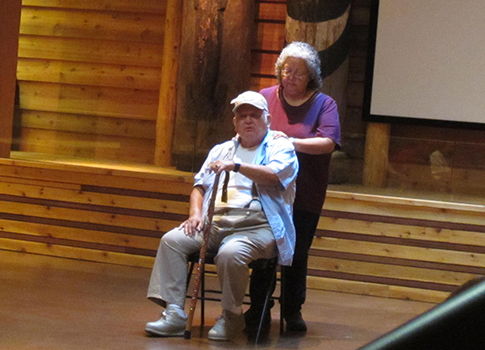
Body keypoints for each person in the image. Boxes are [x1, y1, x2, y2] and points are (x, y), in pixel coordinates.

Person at [145, 91, 299, 341]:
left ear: (267, 120)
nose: (248, 120)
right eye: (242, 116)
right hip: (215, 223)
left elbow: (274, 175)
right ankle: (173, 313)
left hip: (258, 227)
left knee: (231, 253)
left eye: (255, 115)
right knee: (172, 241)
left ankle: (231, 316)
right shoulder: (222, 150)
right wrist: (195, 214)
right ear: (234, 122)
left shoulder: (280, 147)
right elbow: (200, 186)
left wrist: (237, 166)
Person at [245, 41, 341, 332]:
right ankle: (259, 308)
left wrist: (291, 143)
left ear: (311, 75)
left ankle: (292, 310)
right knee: (264, 250)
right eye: (287, 70)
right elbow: (247, 129)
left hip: (305, 192)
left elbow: (328, 143)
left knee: (296, 252)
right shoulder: (264, 97)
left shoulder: (324, 104)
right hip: (266, 190)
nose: (292, 77)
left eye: (299, 73)